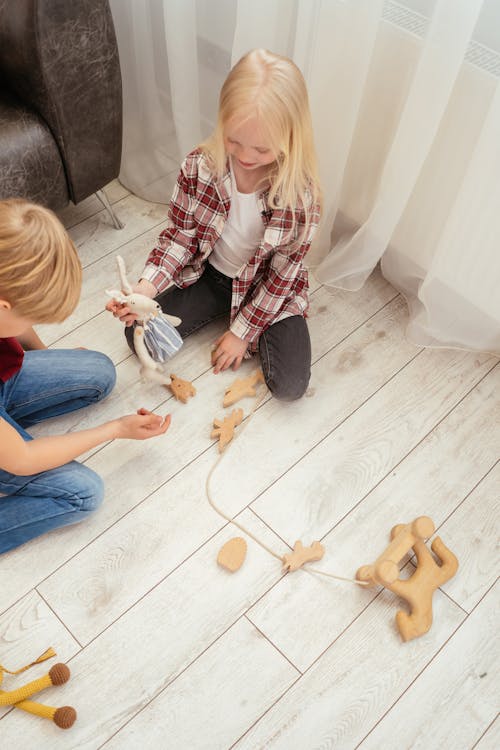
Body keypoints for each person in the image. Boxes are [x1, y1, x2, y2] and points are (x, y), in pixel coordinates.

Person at [108, 48, 322, 400]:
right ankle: (219, 308)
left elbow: (283, 276)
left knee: (290, 387)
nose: (245, 157)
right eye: (234, 141)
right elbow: (180, 237)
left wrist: (242, 331)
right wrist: (145, 289)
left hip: (266, 288)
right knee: (137, 335)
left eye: (262, 150)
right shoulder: (199, 167)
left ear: (290, 139)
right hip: (210, 275)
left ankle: (243, 321)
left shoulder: (300, 198)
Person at [0, 199, 170, 554]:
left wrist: (48, 359)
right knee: (83, 493)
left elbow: (16, 324)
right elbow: (23, 459)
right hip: (15, 451)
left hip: (5, 381)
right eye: (32, 315)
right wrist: (115, 430)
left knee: (96, 372)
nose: (33, 323)